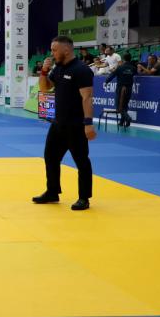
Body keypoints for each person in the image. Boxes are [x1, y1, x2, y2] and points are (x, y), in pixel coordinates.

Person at [33, 36, 96, 211]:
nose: (52, 53)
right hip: (58, 123)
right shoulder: (58, 68)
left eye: (54, 50)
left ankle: (84, 198)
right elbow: (45, 88)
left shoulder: (81, 70)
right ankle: (52, 192)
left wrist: (88, 123)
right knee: (50, 157)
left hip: (76, 125)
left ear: (66, 50)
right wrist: (44, 71)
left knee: (81, 161)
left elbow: (87, 97)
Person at [106, 52, 137, 126]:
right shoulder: (133, 68)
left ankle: (127, 118)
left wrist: (107, 81)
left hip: (121, 89)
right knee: (125, 105)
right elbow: (135, 73)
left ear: (123, 59)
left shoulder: (120, 67)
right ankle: (122, 122)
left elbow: (112, 75)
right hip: (129, 88)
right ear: (130, 59)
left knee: (119, 107)